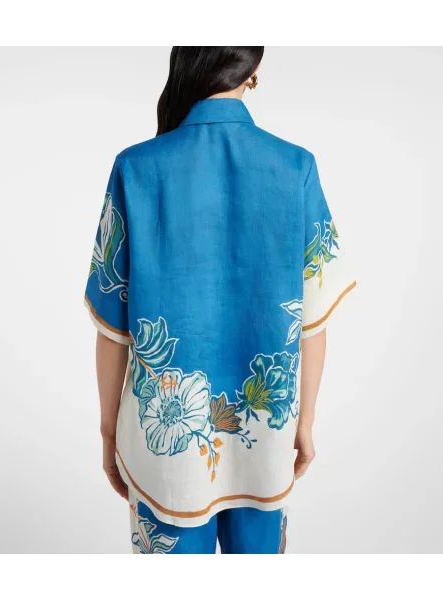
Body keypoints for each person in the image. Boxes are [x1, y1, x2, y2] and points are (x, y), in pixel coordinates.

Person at [84, 46, 355, 554]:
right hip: (266, 437)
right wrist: (305, 424)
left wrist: (107, 432)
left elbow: (112, 329)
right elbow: (312, 323)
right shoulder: (295, 167)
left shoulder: (135, 168)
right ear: (253, 70)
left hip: (164, 447)